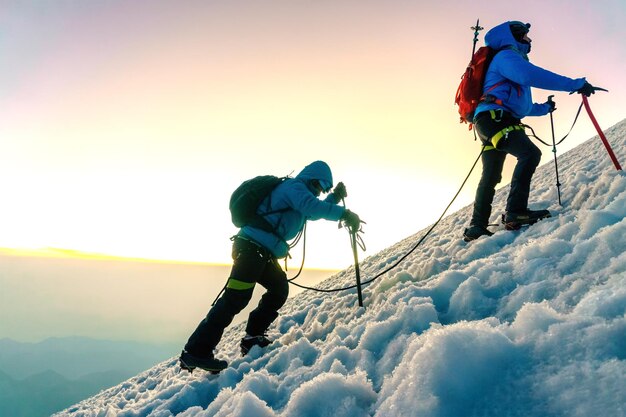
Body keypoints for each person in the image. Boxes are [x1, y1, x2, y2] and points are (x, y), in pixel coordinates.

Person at [180, 160, 361, 372]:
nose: (320, 192)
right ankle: (195, 352)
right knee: (234, 300)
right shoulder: (294, 187)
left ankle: (253, 337)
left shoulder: (300, 193)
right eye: (320, 186)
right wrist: (344, 213)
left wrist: (334, 199)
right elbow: (311, 207)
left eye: (323, 190)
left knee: (279, 289)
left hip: (260, 253)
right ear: (312, 179)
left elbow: (309, 211)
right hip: (250, 251)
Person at [463, 21, 601, 242]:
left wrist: (544, 108)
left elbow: (521, 107)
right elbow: (531, 76)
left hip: (490, 120)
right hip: (495, 119)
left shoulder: (508, 61)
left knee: (490, 175)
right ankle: (515, 212)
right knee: (529, 154)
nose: (529, 40)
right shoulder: (507, 57)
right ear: (514, 37)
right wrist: (575, 84)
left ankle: (476, 226)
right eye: (525, 36)